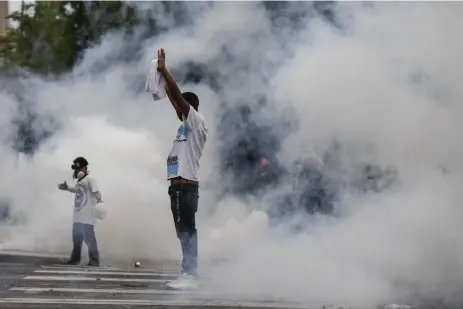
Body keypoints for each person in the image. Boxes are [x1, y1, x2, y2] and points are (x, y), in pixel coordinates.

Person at [156, 48, 208, 290]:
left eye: (180, 107)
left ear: (188, 107)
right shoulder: (185, 126)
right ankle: (188, 272)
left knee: (187, 230)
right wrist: (159, 79)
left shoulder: (196, 122)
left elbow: (177, 97)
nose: (176, 110)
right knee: (183, 231)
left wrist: (165, 71)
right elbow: (173, 98)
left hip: (185, 186)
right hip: (179, 186)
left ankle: (190, 274)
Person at [58, 157, 104, 267]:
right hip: (78, 216)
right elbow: (76, 190)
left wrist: (100, 204)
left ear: (84, 168)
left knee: (89, 240)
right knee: (76, 240)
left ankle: (94, 261)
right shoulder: (80, 182)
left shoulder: (90, 179)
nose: (77, 171)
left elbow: (97, 193)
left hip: (87, 216)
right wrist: (67, 187)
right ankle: (75, 259)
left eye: (79, 169)